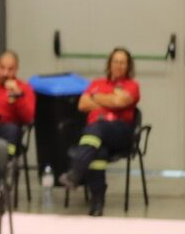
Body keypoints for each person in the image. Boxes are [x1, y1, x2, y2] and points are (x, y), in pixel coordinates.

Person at [59, 48, 141, 217]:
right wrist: (110, 99)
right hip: (96, 136)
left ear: (128, 66)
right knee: (99, 151)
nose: (118, 65)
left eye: (122, 62)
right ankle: (97, 202)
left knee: (97, 127)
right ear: (109, 64)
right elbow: (82, 104)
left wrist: (96, 98)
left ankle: (76, 172)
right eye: (115, 61)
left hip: (120, 133)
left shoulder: (132, 86)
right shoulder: (96, 83)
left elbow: (120, 102)